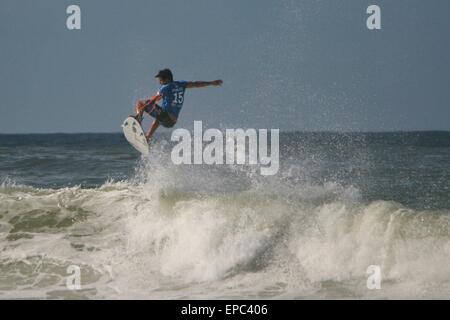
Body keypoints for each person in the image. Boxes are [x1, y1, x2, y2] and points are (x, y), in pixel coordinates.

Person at [133, 68, 223, 142]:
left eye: (161, 80)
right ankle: (148, 137)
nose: (160, 82)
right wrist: (211, 83)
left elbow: (152, 101)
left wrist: (141, 110)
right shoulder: (181, 84)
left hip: (165, 116)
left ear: (167, 79)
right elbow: (196, 84)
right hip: (172, 122)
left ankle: (138, 120)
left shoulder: (165, 87)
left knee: (140, 103)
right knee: (158, 119)